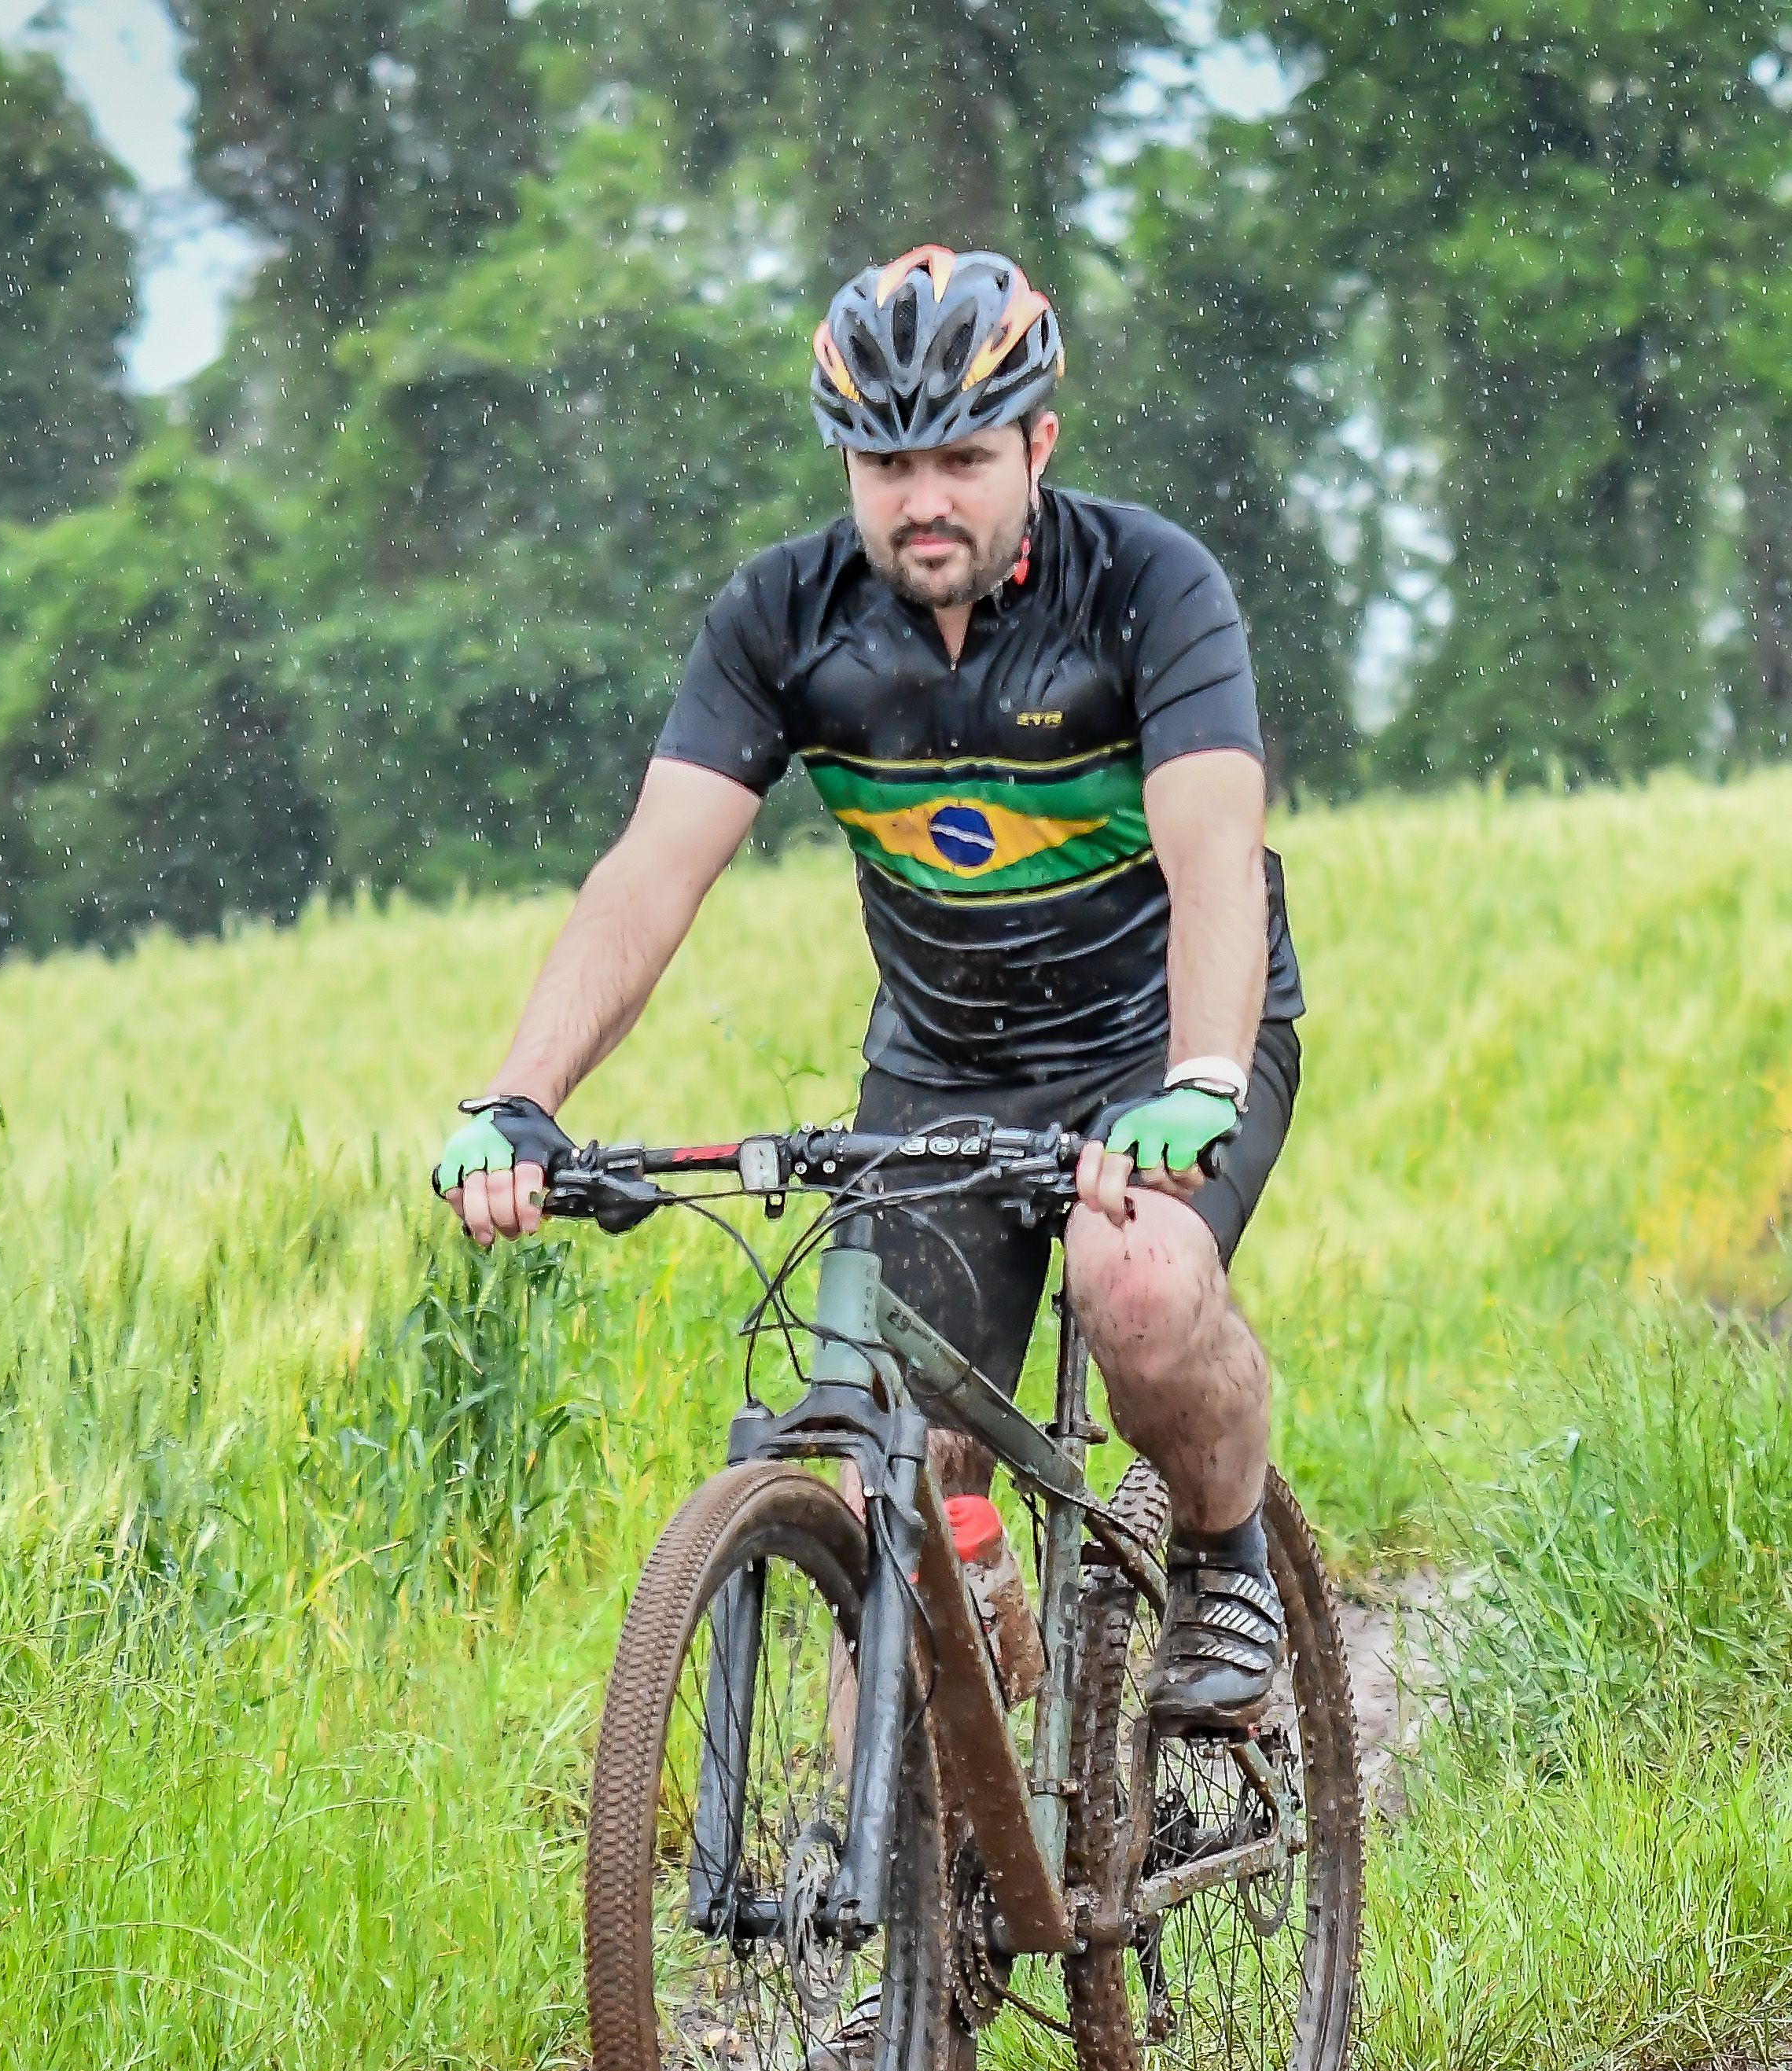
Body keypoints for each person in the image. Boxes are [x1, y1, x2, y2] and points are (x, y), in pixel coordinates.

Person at [434, 245, 1304, 1746]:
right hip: (944, 1069)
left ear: (1038, 444)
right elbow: (650, 873)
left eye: (962, 458)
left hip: (1157, 1044)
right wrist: (521, 1097)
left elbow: (1215, 854)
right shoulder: (785, 620)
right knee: (883, 1484)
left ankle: (1225, 1558)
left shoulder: (1148, 588)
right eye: (888, 464)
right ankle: (898, 1883)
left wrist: (1201, 1080)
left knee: (1141, 1288)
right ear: (844, 463)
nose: (923, 500)